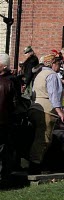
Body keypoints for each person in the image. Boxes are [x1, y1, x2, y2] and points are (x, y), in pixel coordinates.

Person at [28, 55, 64, 174]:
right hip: (46, 110)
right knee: (43, 138)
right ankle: (35, 167)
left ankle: (36, 163)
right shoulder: (52, 76)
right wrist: (60, 112)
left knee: (36, 137)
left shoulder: (39, 74)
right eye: (59, 64)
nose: (60, 66)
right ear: (53, 63)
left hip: (34, 108)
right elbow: (53, 95)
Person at [0, 53, 15, 184]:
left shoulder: (9, 82)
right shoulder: (11, 82)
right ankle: (4, 177)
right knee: (4, 150)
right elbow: (13, 104)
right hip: (5, 121)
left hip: (5, 121)